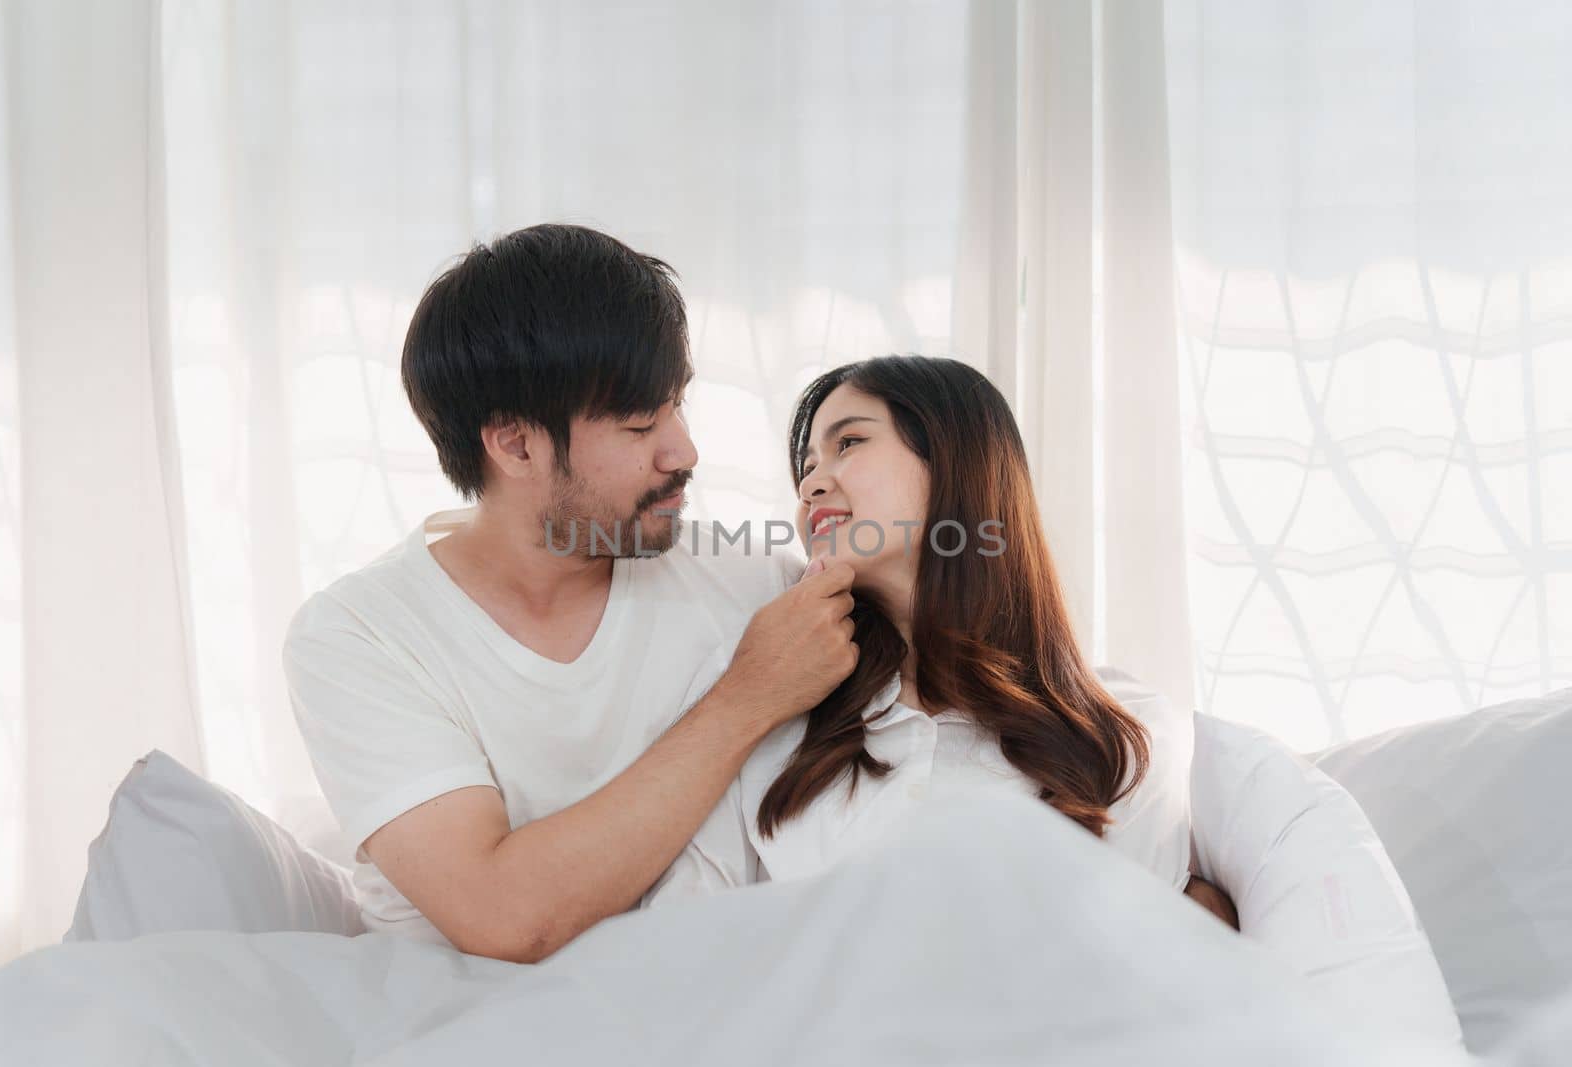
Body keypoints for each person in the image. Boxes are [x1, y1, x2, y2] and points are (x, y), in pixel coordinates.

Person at [282, 224, 860, 962]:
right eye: (639, 424)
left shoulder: (749, 583)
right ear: (515, 444)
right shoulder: (359, 635)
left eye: (677, 406)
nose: (683, 451)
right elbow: (504, 917)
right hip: (453, 1025)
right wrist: (749, 695)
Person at [648, 355, 1238, 928]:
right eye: (806, 465)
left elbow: (1141, 978)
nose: (811, 485)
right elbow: (689, 941)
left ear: (958, 461)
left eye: (848, 443)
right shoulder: (770, 716)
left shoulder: (1125, 739)